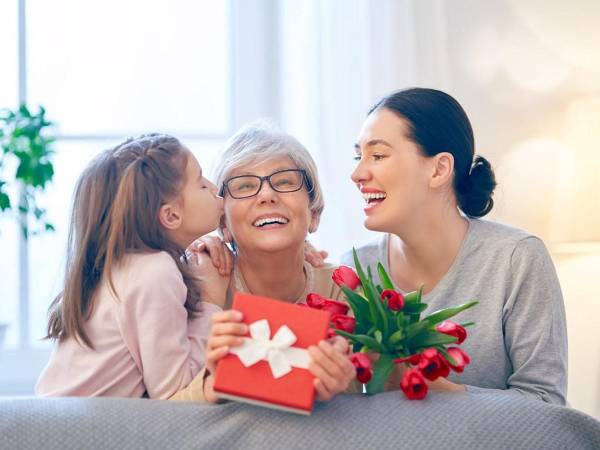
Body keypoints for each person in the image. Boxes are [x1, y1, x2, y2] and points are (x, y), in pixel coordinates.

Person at [341, 87, 567, 404]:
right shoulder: (353, 271)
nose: (357, 173)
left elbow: (547, 403)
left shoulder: (515, 259)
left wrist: (444, 392)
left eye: (377, 155)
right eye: (358, 156)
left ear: (439, 169)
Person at [170, 122, 356, 403]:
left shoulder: (345, 289)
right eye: (244, 186)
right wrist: (212, 385)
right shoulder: (196, 285)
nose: (267, 195)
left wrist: (342, 385)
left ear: (314, 214)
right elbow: (162, 416)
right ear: (224, 225)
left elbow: (368, 401)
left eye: (284, 182)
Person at [36, 134, 226, 399]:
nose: (215, 188)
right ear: (171, 215)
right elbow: (173, 391)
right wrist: (212, 302)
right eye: (201, 183)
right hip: (76, 435)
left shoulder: (124, 267)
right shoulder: (155, 271)